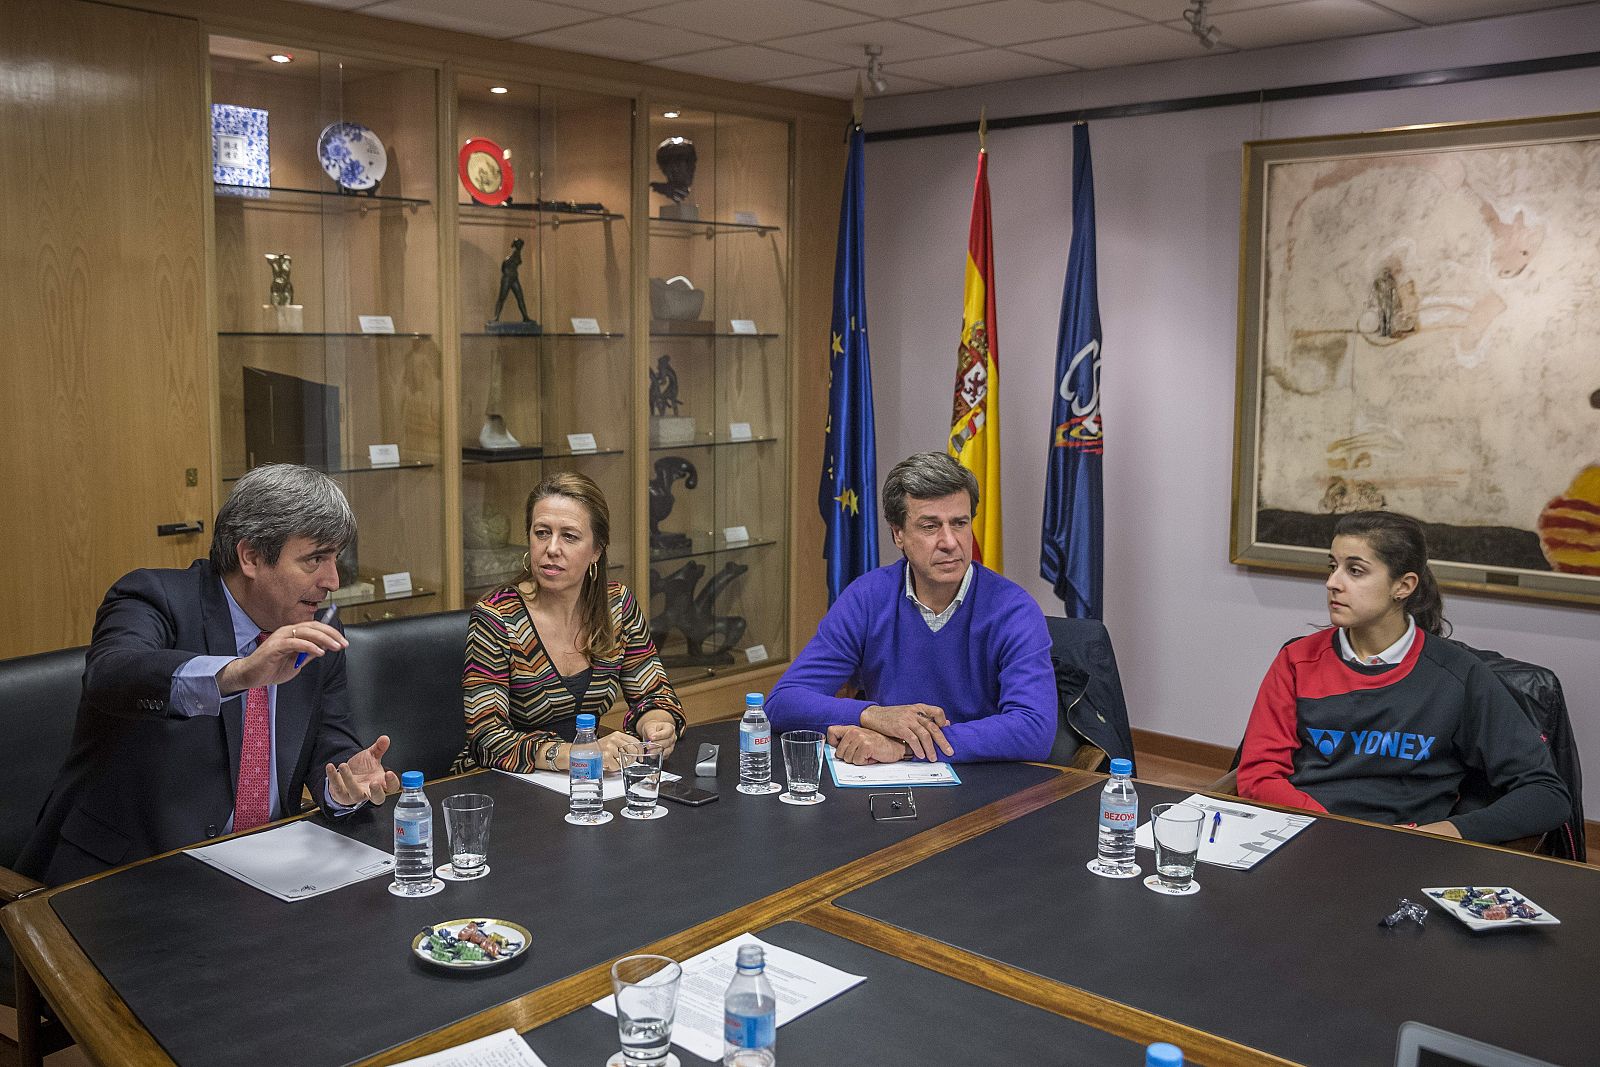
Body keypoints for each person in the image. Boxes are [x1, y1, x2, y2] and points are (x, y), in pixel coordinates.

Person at [19, 465, 397, 886]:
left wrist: (341, 783)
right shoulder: (153, 598)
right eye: (315, 559)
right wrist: (233, 674)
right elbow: (111, 675)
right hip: (129, 878)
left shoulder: (319, 626)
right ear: (251, 556)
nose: (333, 581)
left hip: (267, 870)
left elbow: (328, 735)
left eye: (335, 559)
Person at [1237, 511, 1569, 843]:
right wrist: (1330, 831)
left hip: (1405, 850)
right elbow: (1259, 774)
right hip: (1303, 836)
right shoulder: (1297, 660)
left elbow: (1546, 794)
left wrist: (1446, 833)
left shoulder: (1459, 675)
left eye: (1355, 570)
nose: (1332, 582)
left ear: (1403, 585)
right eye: (1332, 566)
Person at [767, 451, 1056, 765]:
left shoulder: (1013, 609)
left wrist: (904, 746)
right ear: (898, 534)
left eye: (960, 524)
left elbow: (1034, 730)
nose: (950, 541)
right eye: (930, 527)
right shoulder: (867, 598)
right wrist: (871, 715)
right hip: (887, 784)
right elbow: (782, 702)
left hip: (981, 783)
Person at [453, 472, 685, 775]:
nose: (551, 548)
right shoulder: (496, 618)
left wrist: (658, 724)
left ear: (597, 550)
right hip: (505, 784)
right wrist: (572, 754)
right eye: (541, 533)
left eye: (569, 536)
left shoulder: (617, 606)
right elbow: (486, 738)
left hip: (587, 781)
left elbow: (654, 693)